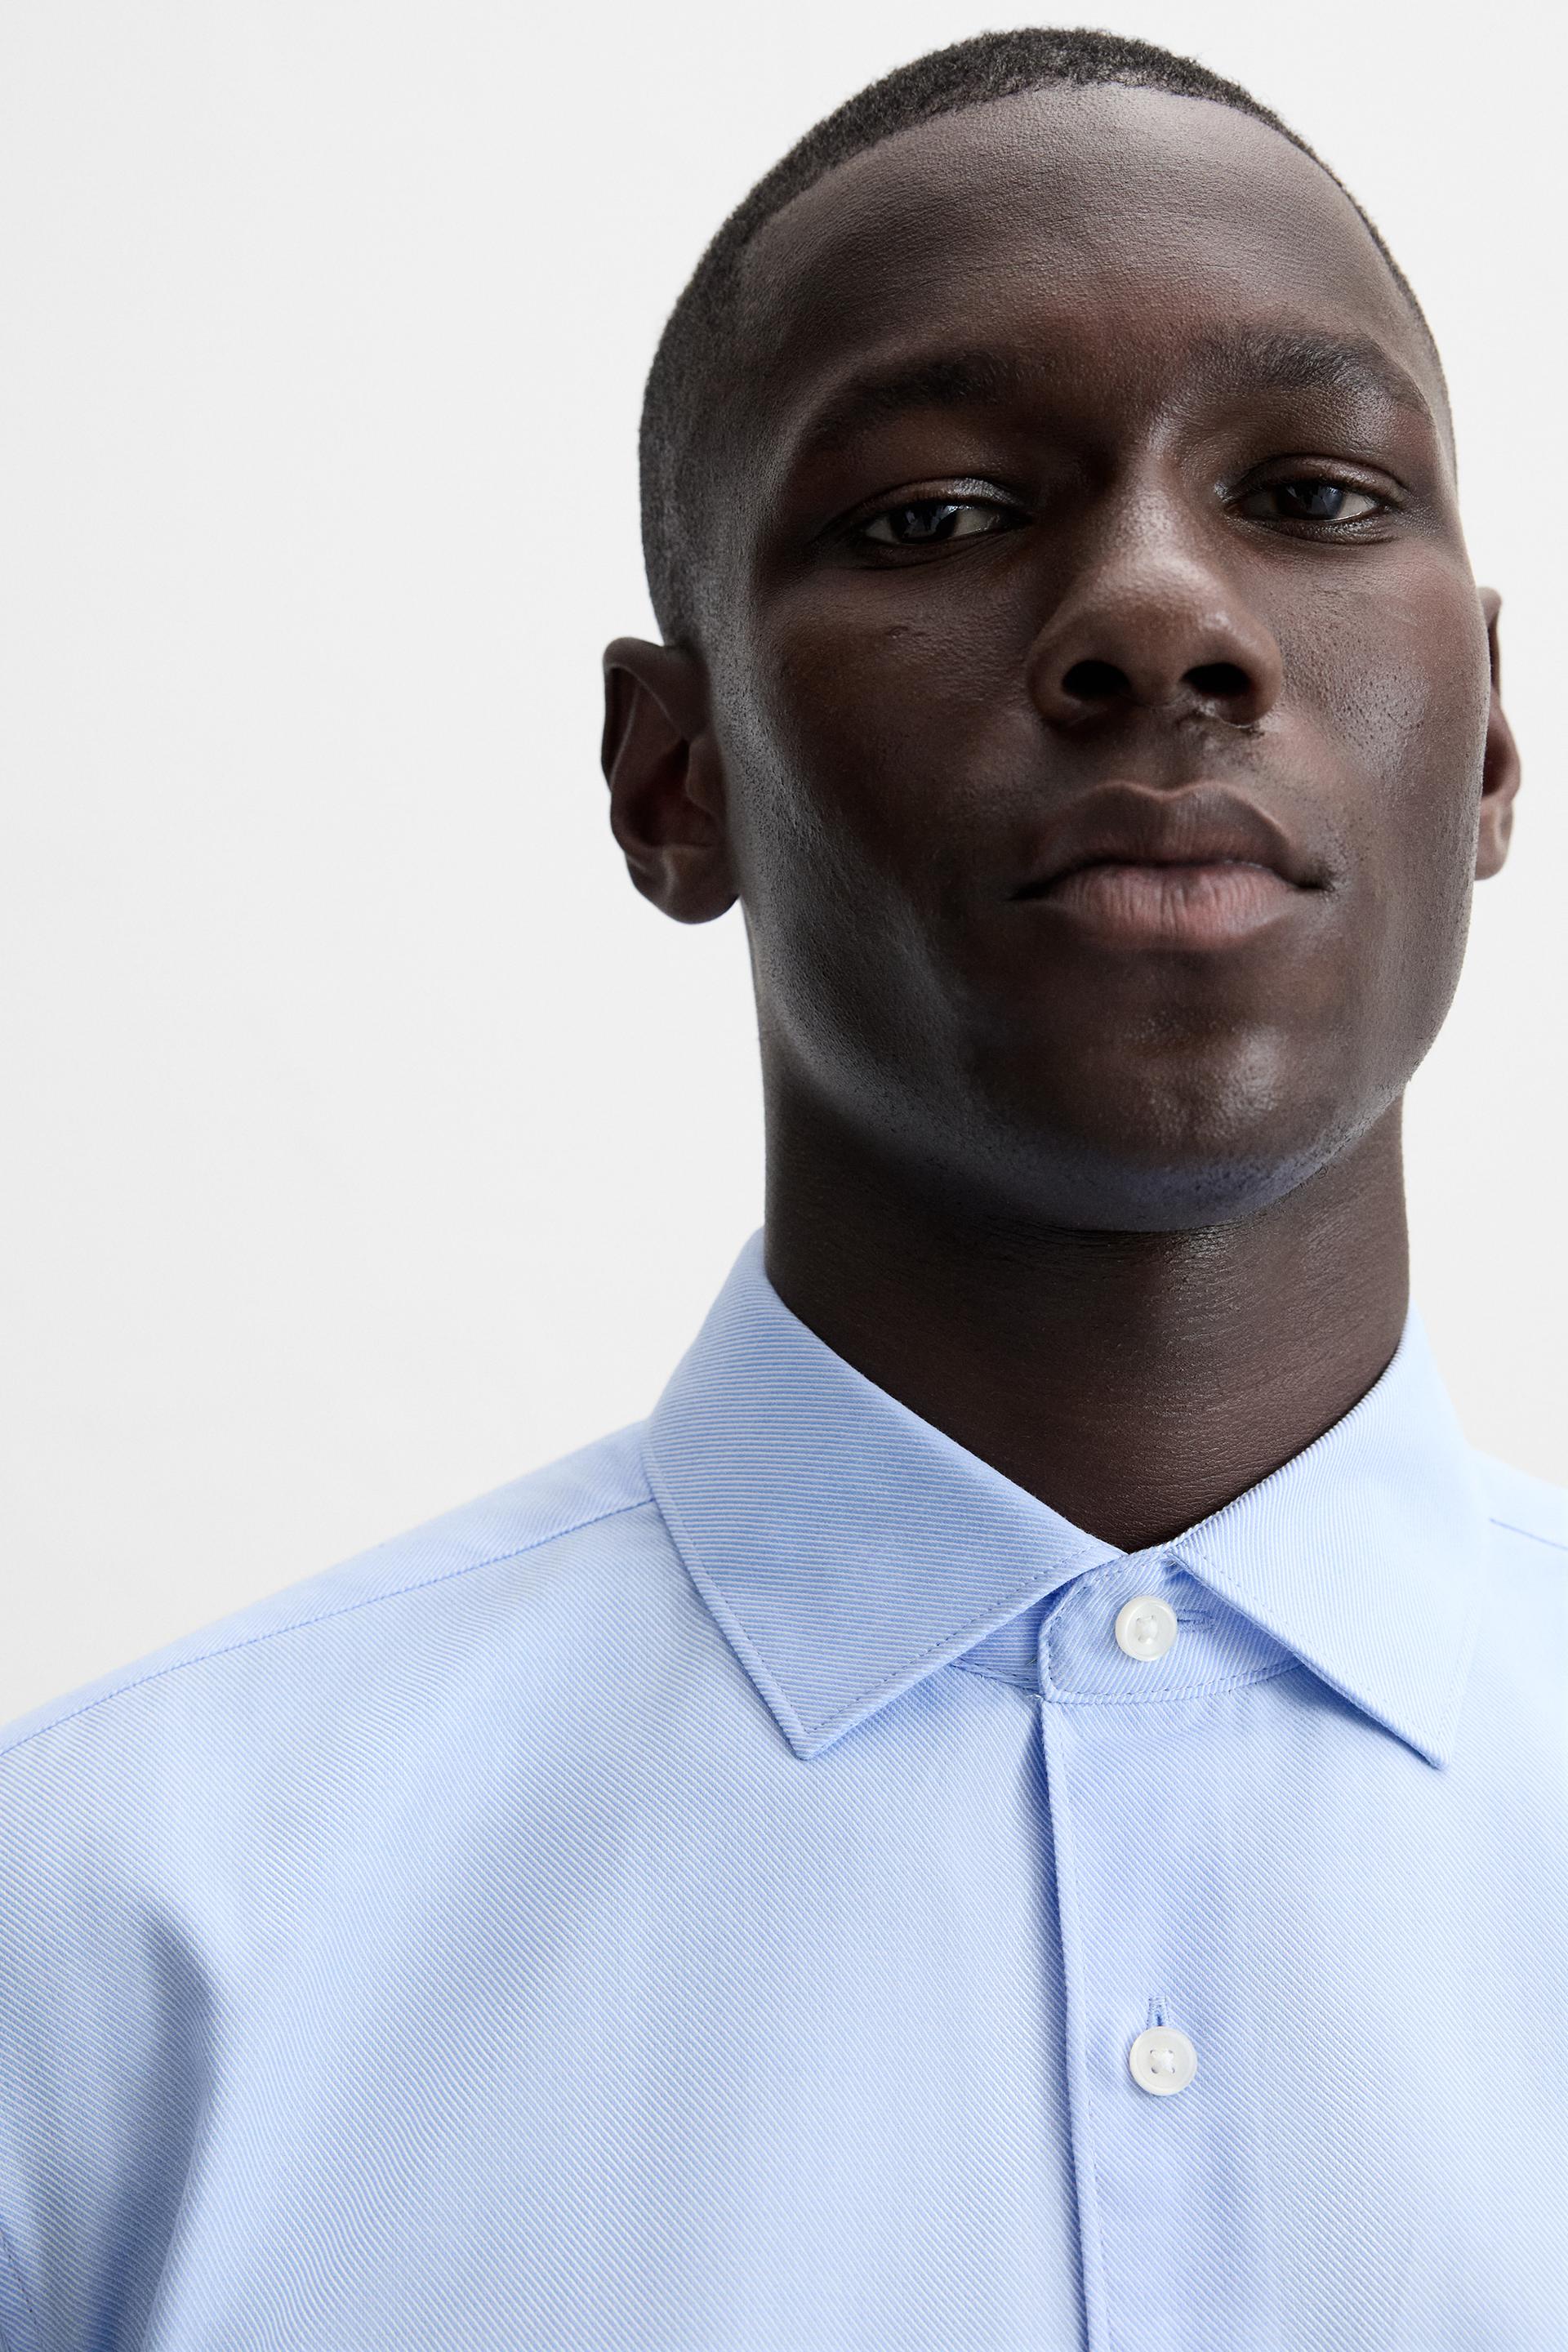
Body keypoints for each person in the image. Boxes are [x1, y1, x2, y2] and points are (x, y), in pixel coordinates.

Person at [0, 26, 1561, 2351]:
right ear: (674, 777)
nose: (1163, 617)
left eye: (1315, 494)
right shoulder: (93, 1954)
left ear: (1493, 738)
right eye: (937, 515)